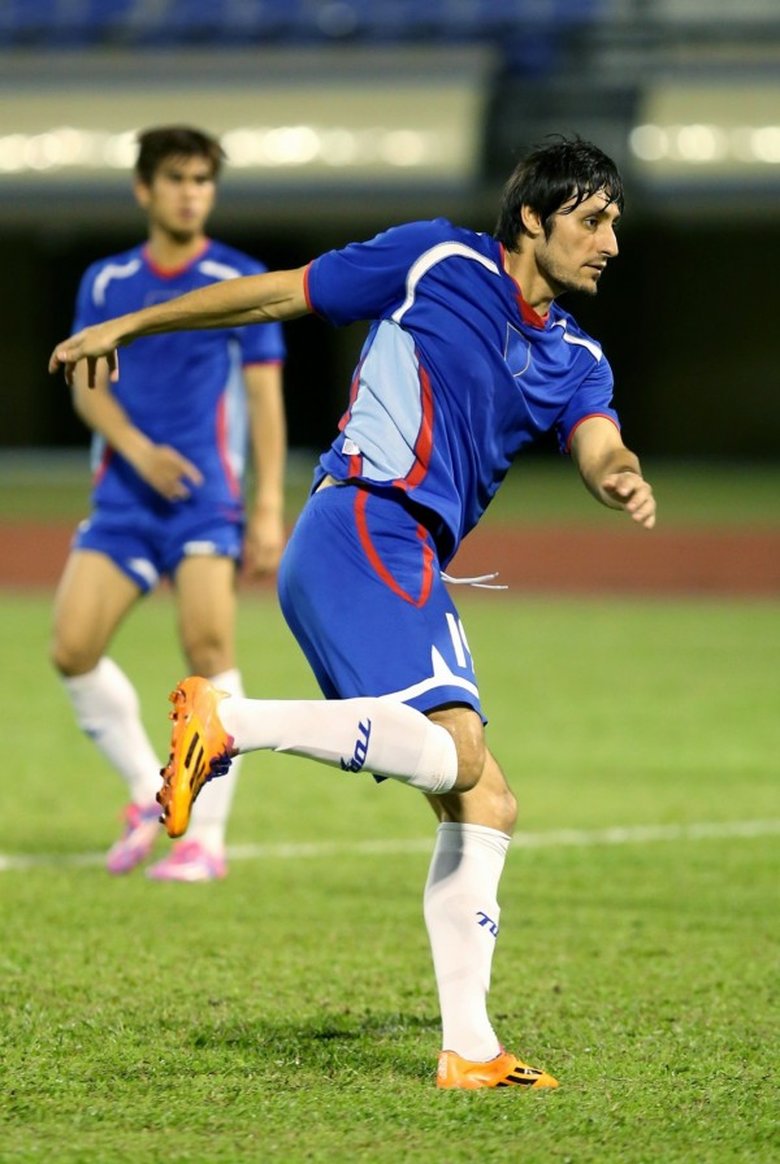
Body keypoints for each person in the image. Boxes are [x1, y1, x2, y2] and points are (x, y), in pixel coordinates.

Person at [50, 136, 656, 1087]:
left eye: (614, 222)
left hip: (393, 550)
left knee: (484, 799)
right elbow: (273, 295)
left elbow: (597, 439)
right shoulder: (434, 258)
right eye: (591, 221)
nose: (610, 243)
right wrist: (131, 325)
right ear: (533, 220)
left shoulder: (576, 357)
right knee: (461, 757)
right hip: (366, 525)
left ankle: (469, 1049)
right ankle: (230, 723)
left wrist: (617, 472)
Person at [49, 126, 287, 883]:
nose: (191, 193)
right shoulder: (108, 282)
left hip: (204, 501)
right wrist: (137, 448)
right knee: (72, 649)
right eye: (177, 179)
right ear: (144, 189)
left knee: (209, 655)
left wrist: (268, 507)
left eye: (202, 181)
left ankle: (204, 839)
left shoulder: (238, 277)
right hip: (123, 494)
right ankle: (142, 790)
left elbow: (264, 399)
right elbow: (87, 386)